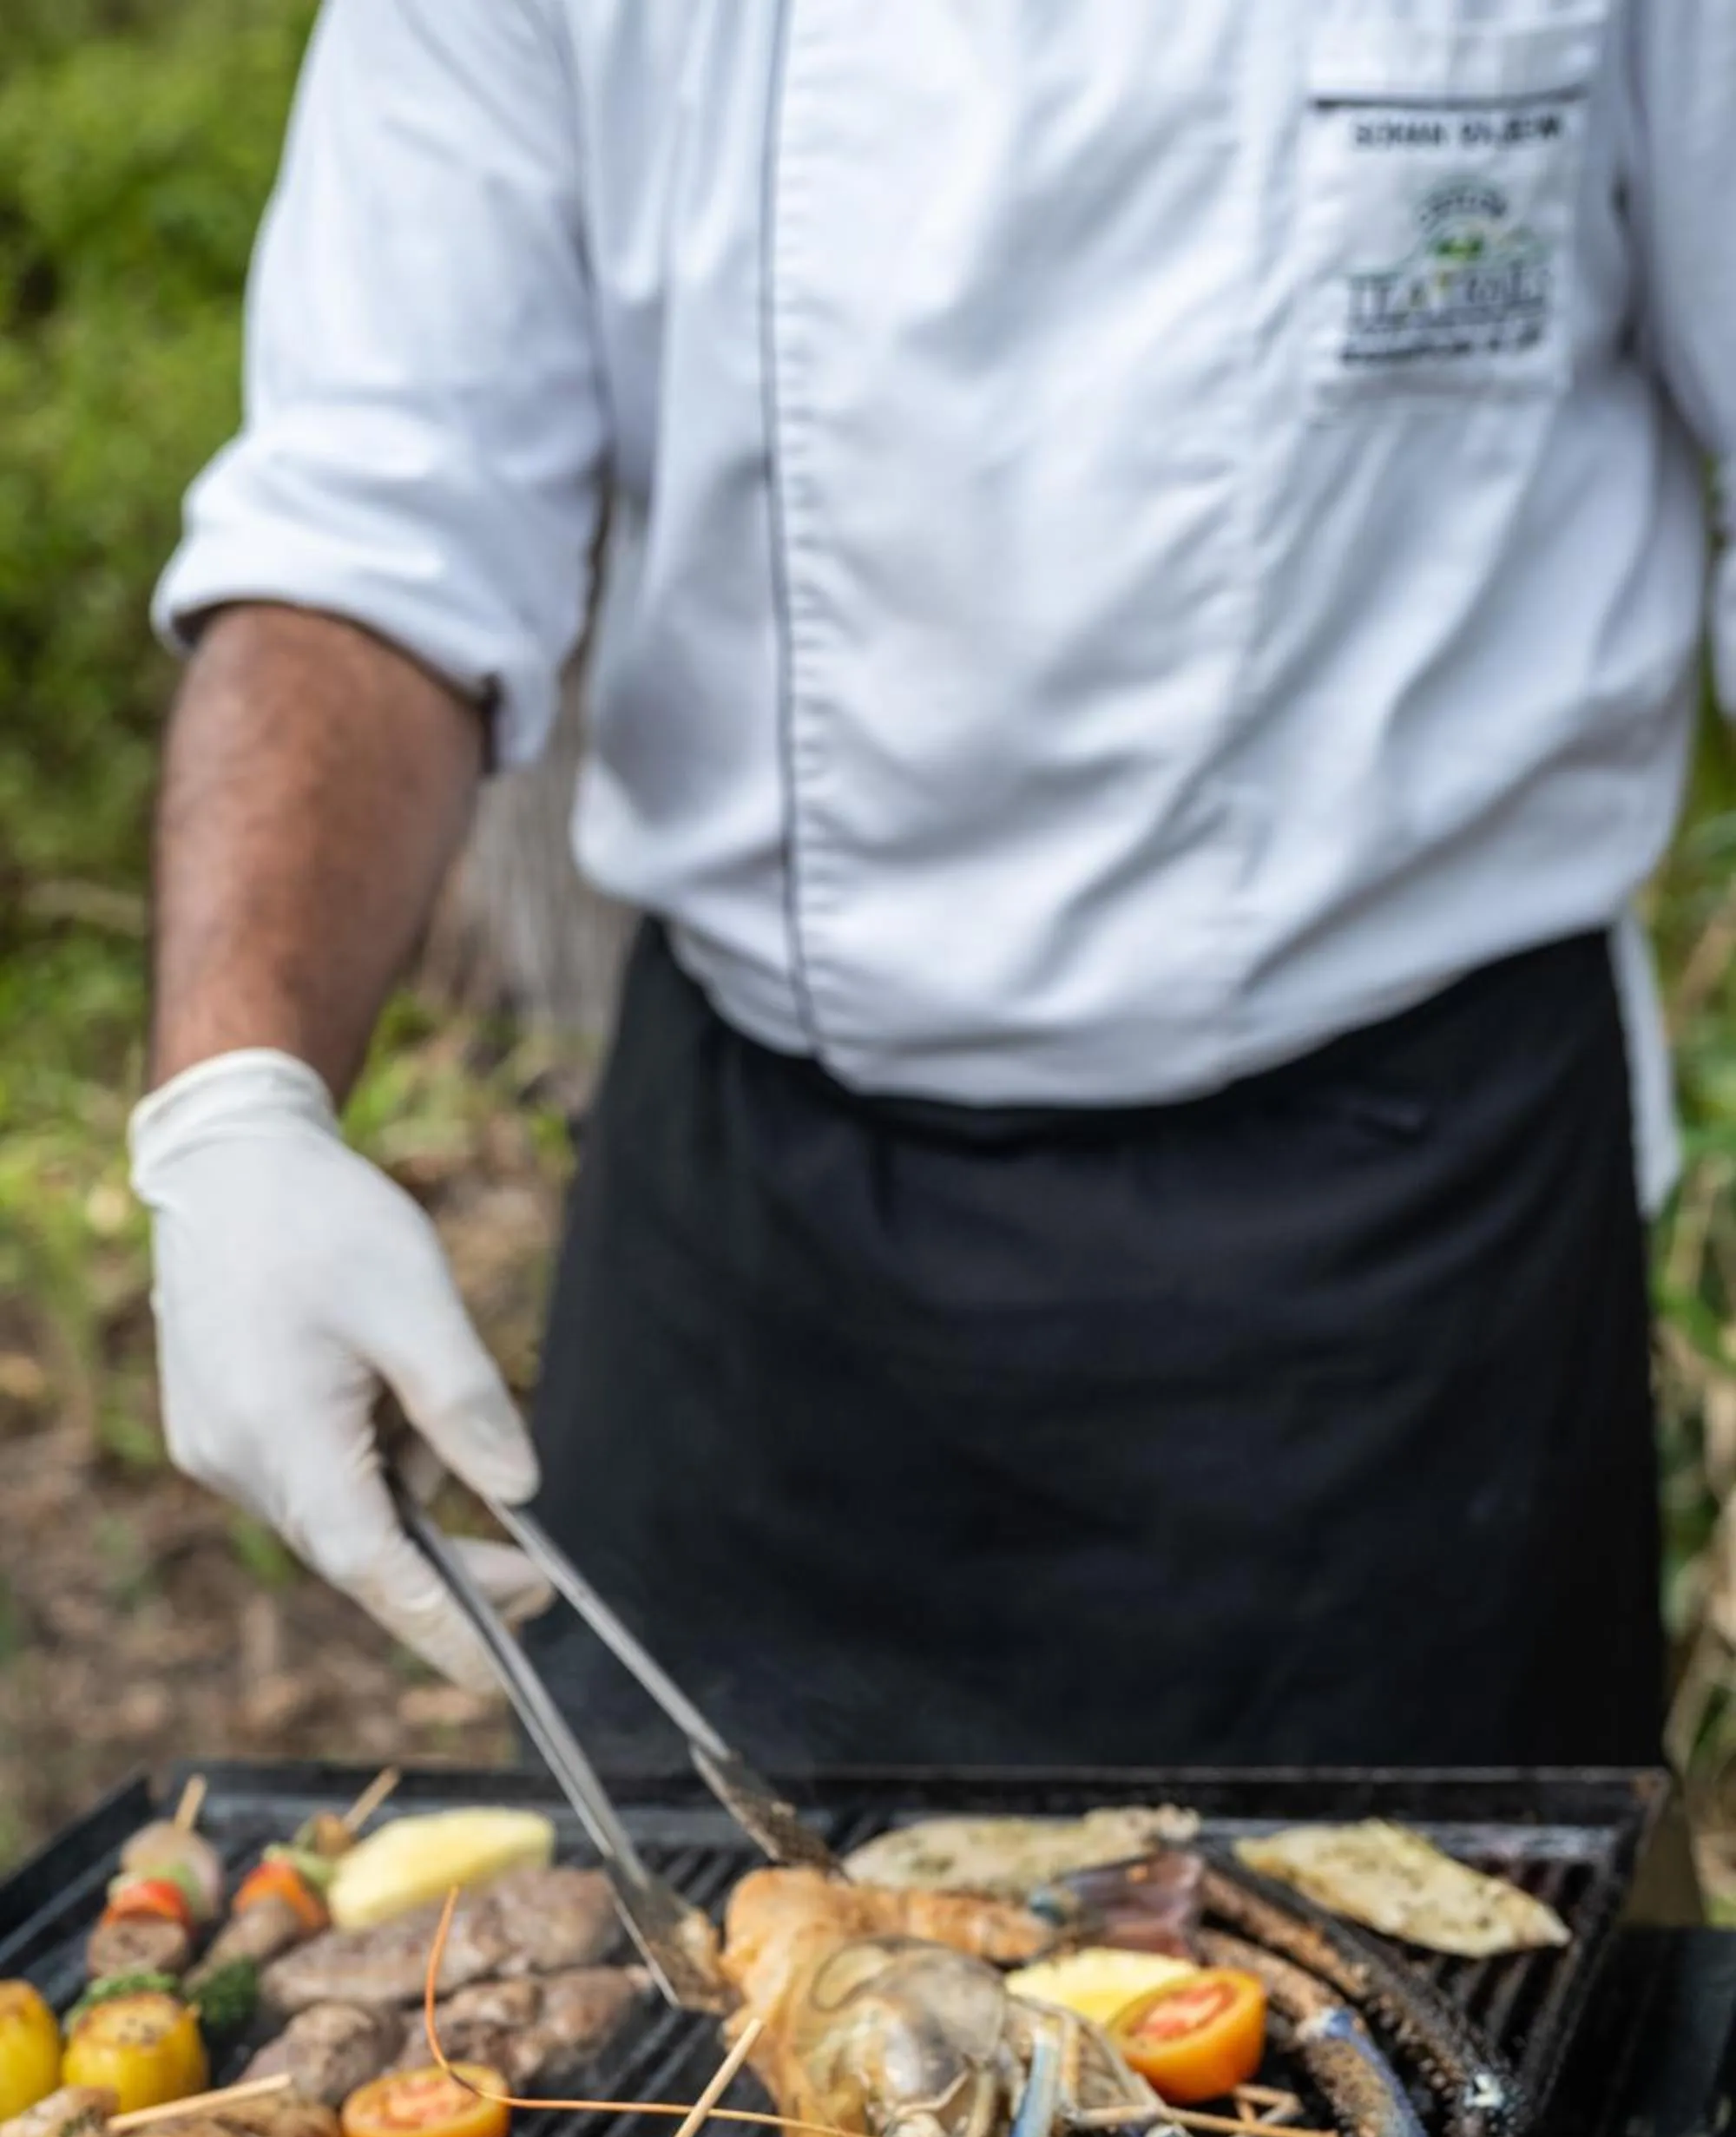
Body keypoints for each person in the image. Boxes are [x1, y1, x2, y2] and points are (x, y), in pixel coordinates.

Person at [133, 0, 1733, 1779]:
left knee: (1476, 2020)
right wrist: (236, 1102)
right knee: (688, 2016)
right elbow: (370, 531)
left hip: (1408, 1243)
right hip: (757, 1236)